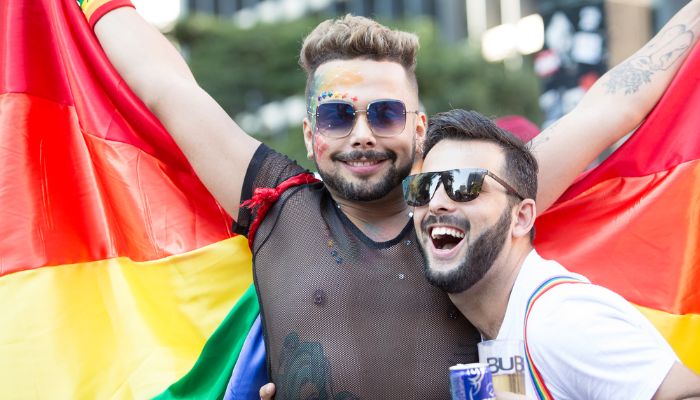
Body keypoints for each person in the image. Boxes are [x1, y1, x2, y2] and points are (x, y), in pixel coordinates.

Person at [78, 0, 700, 398]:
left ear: (419, 127)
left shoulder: (472, 200)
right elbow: (167, 87)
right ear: (309, 135)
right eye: (336, 116)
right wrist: (93, 6)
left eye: (384, 114)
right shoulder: (277, 207)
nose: (362, 135)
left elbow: (607, 109)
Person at [406, 108, 700, 399]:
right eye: (424, 187)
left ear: (521, 218)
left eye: (464, 186)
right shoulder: (496, 323)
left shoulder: (561, 319)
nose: (436, 203)